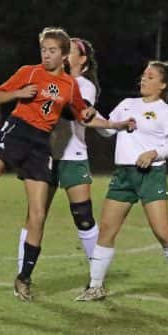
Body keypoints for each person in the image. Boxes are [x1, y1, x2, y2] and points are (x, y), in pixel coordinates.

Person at [0, 27, 132, 302]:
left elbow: (83, 115)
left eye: (52, 51)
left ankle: (24, 278)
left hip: (39, 146)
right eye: (43, 50)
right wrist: (19, 93)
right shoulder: (30, 72)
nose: (46, 55)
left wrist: (114, 124)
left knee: (37, 214)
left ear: (63, 57)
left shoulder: (70, 86)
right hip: (15, 133)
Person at [84, 61, 168, 302]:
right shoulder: (127, 104)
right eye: (143, 76)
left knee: (162, 231)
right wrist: (93, 117)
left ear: (163, 84)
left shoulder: (167, 112)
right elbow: (107, 130)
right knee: (107, 229)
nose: (143, 80)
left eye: (150, 76)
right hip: (123, 175)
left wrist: (153, 153)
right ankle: (95, 286)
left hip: (150, 175)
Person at [14, 37, 110, 301]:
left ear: (83, 60)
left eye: (71, 52)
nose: (65, 56)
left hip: (73, 157)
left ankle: (96, 281)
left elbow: (74, 112)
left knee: (83, 217)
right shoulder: (54, 80)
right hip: (44, 156)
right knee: (35, 216)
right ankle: (22, 276)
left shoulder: (83, 85)